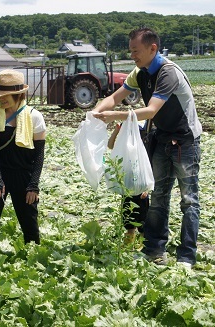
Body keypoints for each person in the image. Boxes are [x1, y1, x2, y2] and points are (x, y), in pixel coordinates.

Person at [92, 27, 202, 268]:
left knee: (188, 200)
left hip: (185, 140)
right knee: (158, 196)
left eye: (136, 51)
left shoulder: (168, 72)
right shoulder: (139, 72)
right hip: (161, 138)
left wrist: (116, 116)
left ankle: (186, 257)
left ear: (153, 48)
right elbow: (115, 97)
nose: (132, 56)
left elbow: (151, 110)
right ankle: (154, 250)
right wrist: (96, 112)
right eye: (131, 51)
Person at [0, 69, 46, 253]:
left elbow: (39, 154)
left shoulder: (34, 117)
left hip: (24, 173)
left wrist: (33, 185)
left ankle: (34, 260)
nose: (2, 99)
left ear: (19, 94)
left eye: (6, 95)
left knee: (29, 221)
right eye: (0, 95)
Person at [107, 122, 149, 244]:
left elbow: (148, 170)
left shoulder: (143, 148)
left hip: (141, 191)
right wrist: (116, 131)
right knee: (129, 223)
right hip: (127, 190)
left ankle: (144, 246)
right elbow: (110, 145)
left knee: (142, 222)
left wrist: (147, 189)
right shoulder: (124, 147)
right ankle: (128, 247)